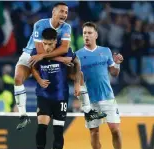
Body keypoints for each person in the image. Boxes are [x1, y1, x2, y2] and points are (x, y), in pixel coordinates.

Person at [14, 2, 102, 130]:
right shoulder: (40, 24)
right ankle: (23, 115)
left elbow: (64, 48)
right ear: (53, 13)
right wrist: (60, 58)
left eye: (66, 12)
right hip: (31, 55)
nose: (64, 14)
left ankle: (88, 111)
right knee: (18, 78)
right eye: (61, 11)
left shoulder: (66, 27)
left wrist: (58, 58)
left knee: (79, 75)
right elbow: (38, 52)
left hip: (48, 56)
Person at [75, 22, 125, 149]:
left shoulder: (105, 51)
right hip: (90, 100)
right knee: (94, 132)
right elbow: (76, 76)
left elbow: (114, 73)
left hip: (108, 98)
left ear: (96, 35)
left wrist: (117, 63)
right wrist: (78, 89)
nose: (86, 36)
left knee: (115, 130)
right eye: (84, 33)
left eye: (89, 33)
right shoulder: (78, 55)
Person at [31, 28, 80, 149]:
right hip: (44, 95)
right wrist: (39, 80)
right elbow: (32, 67)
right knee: (42, 127)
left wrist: (77, 84)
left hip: (60, 97)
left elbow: (76, 62)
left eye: (50, 44)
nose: (46, 47)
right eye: (45, 43)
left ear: (56, 42)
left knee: (58, 132)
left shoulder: (65, 50)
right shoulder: (37, 52)